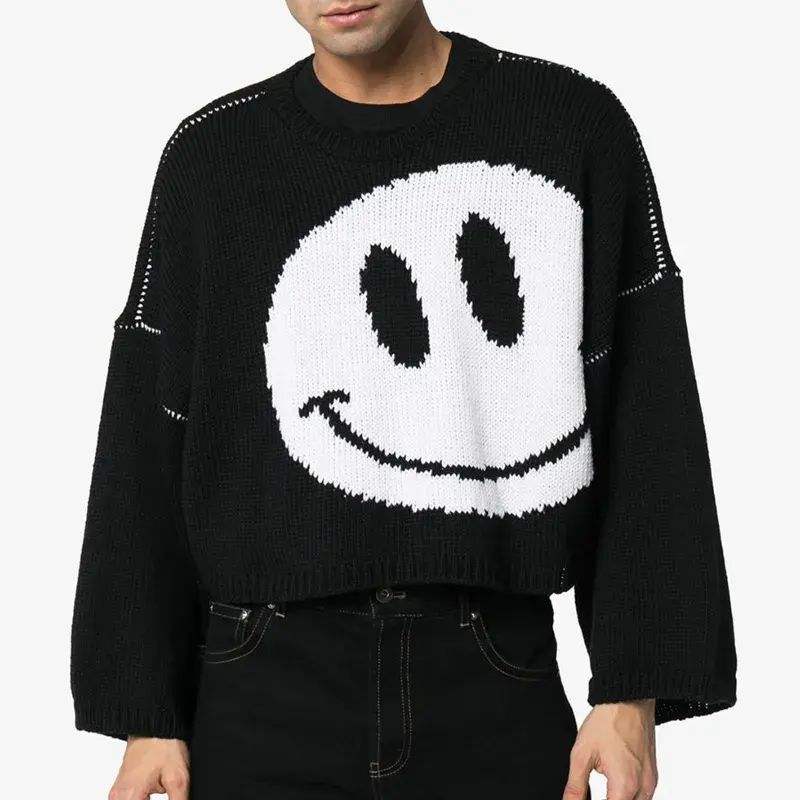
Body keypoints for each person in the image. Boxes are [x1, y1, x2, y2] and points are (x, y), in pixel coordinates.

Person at [71, 2, 737, 798]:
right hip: (260, 679)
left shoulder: (570, 126)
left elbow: (645, 415)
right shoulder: (212, 157)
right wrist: (146, 711)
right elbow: (150, 433)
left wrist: (633, 690)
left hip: (492, 673)